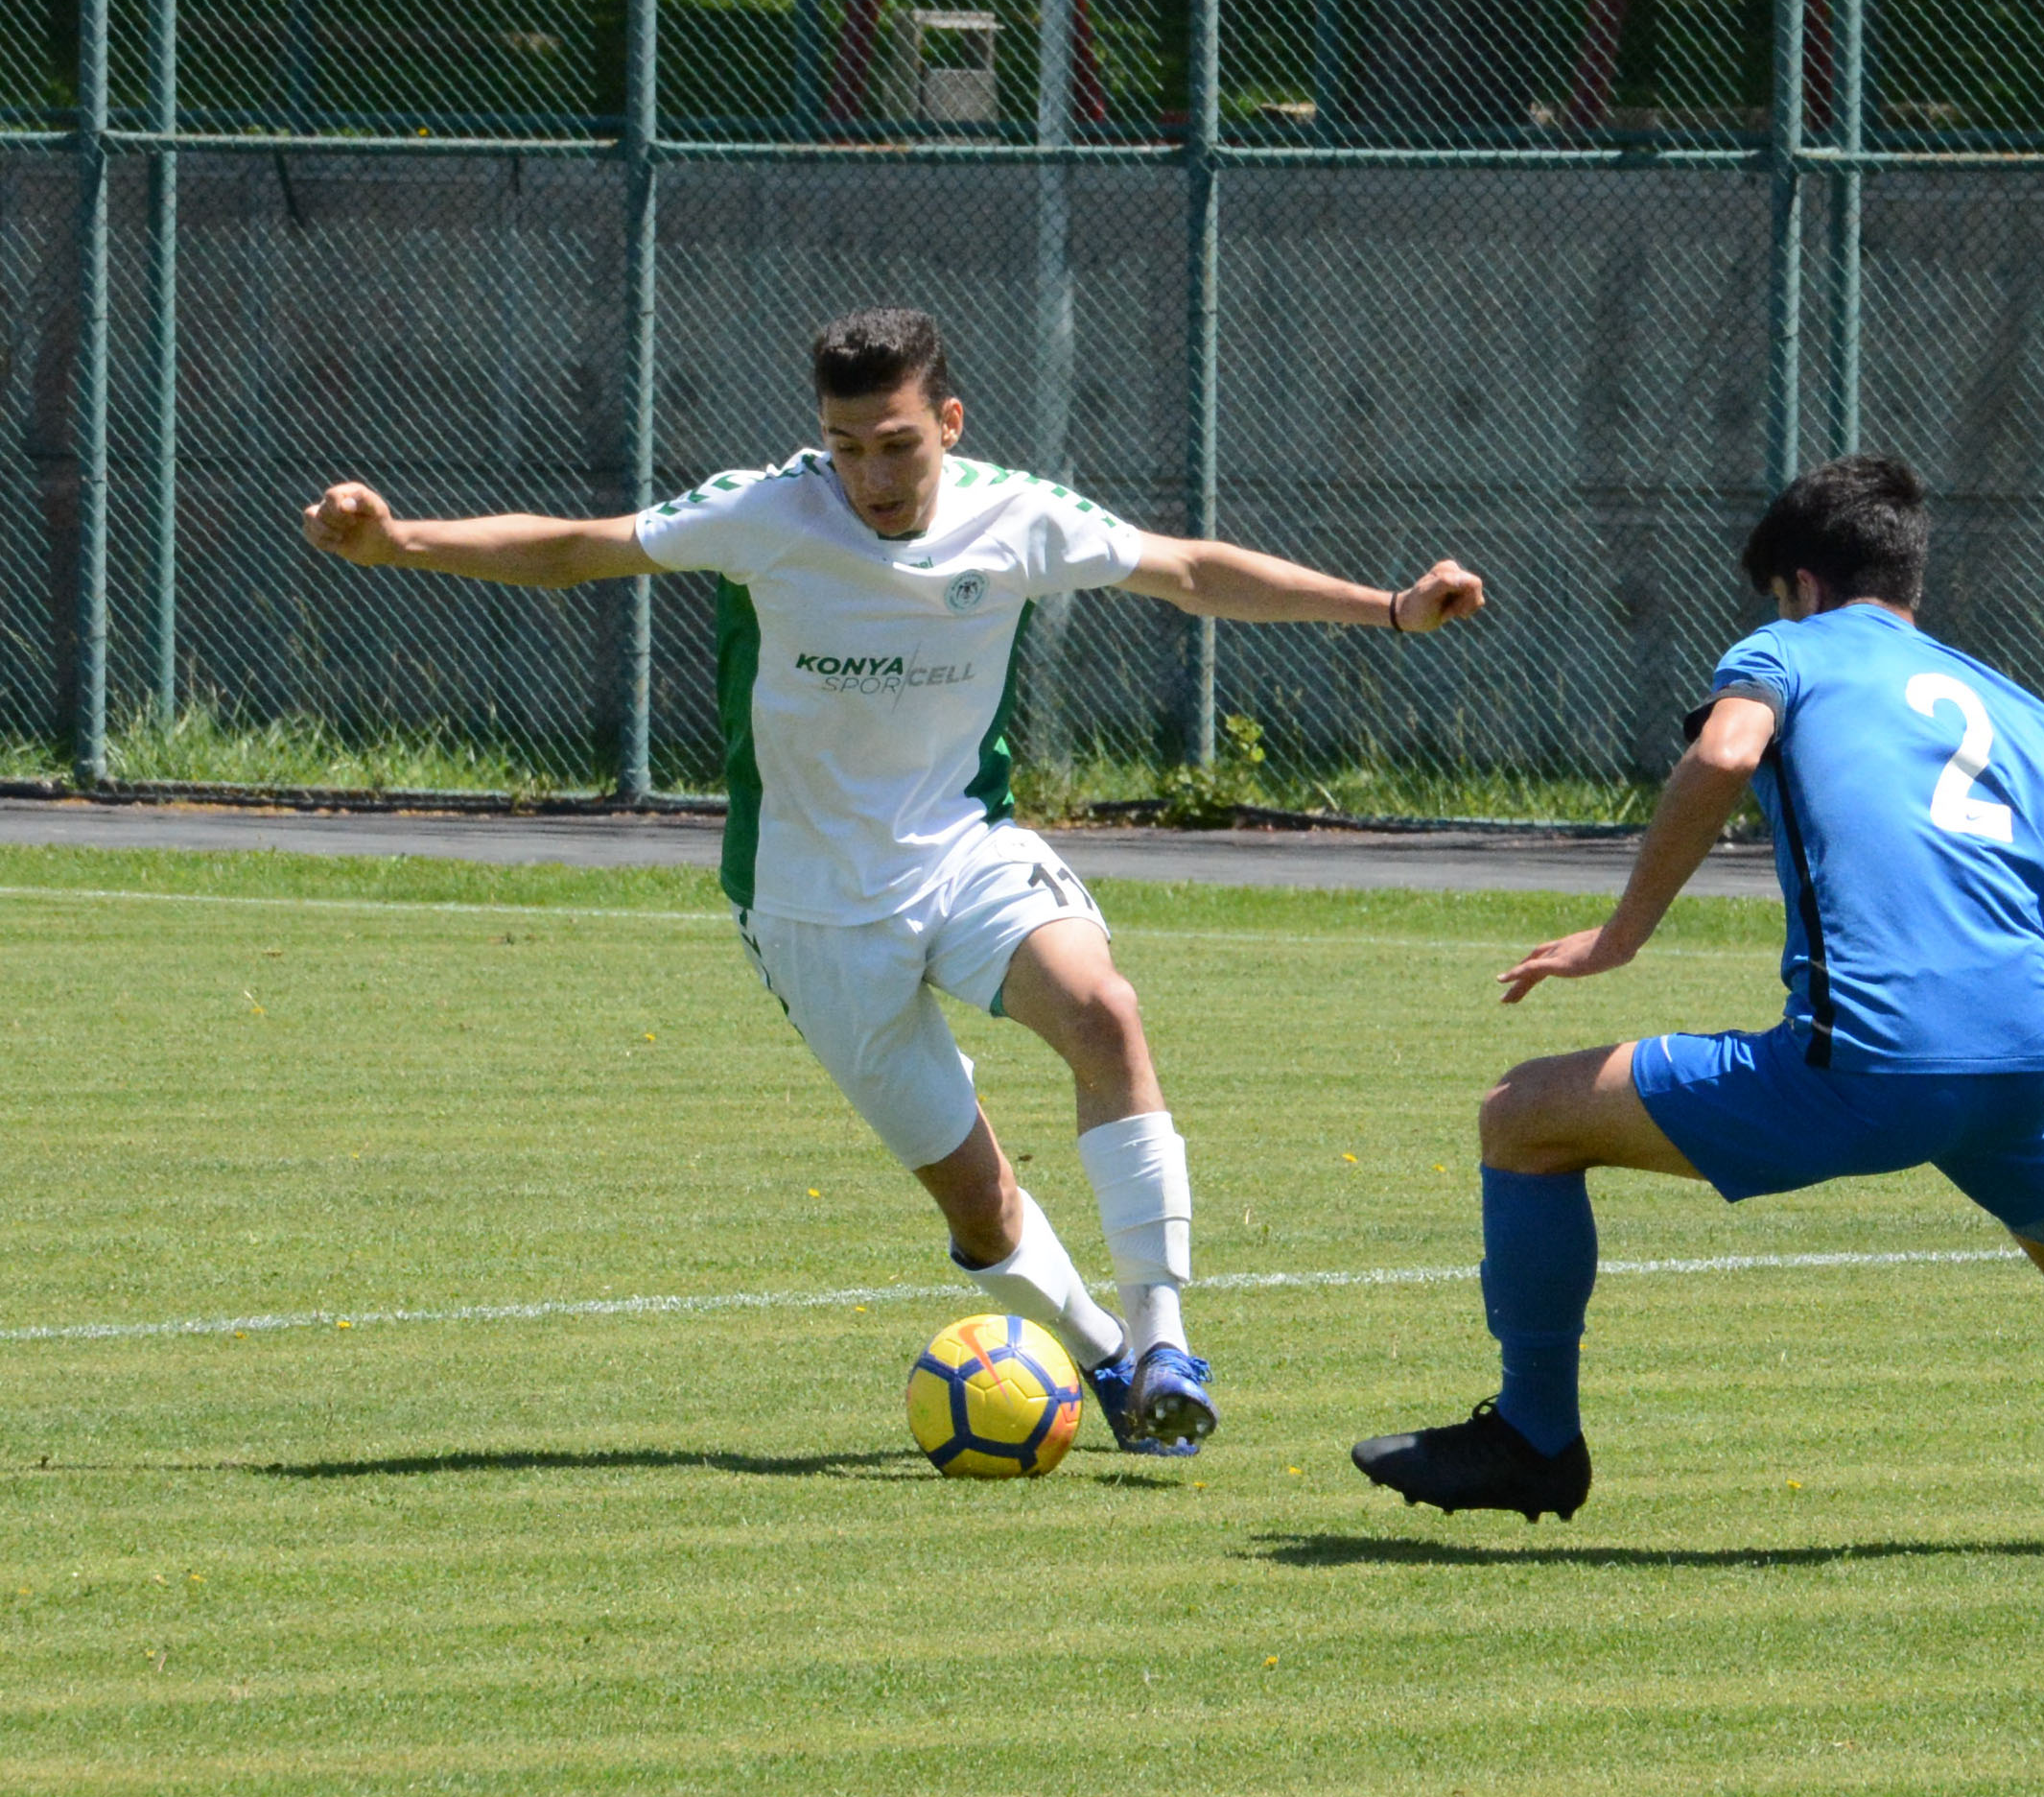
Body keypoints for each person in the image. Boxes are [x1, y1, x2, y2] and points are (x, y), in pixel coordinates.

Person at [302, 305, 1486, 1456]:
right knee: (980, 1209)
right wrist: (401, 539)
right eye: (848, 447)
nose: (871, 475)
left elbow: (1187, 569)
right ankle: (1105, 1357)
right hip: (810, 906)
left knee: (1103, 1010)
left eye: (898, 444)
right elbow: (580, 547)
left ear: (951, 422)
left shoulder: (1016, 517)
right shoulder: (766, 513)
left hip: (967, 852)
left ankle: (1168, 1339)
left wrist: (1386, 608)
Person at [1350, 455, 2044, 1563]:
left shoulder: (1784, 653)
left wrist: (1620, 936)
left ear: (1801, 584)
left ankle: (1536, 1437)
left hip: (1865, 1063)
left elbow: (1723, 752)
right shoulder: (2025, 717)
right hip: (2023, 1072)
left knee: (1523, 1113)